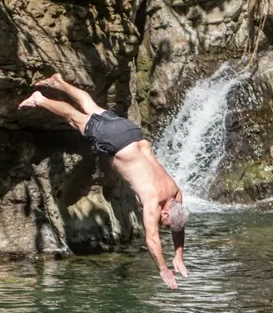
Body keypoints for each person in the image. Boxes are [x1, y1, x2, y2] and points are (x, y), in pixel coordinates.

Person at [18, 74, 190, 289]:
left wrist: (178, 255)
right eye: (164, 224)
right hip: (115, 142)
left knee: (90, 106)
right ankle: (39, 99)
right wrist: (164, 269)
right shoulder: (154, 204)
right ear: (164, 213)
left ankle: (59, 82)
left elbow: (178, 227)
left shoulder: (176, 194)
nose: (163, 226)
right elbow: (152, 240)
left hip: (131, 133)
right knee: (73, 117)